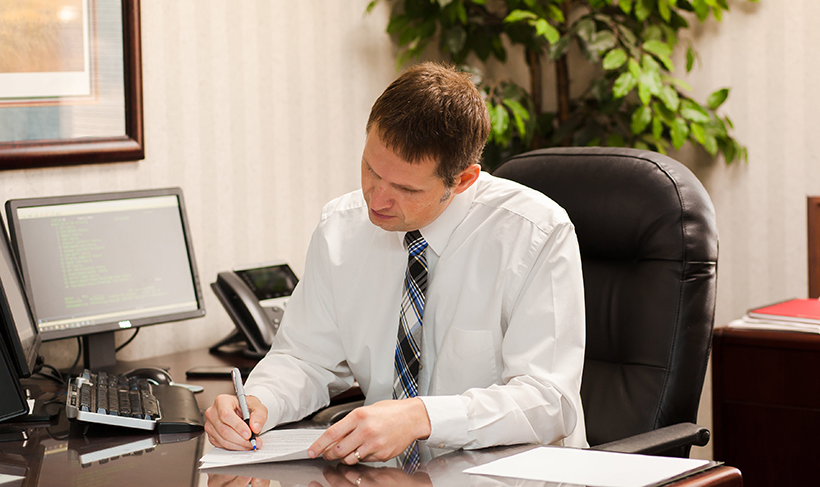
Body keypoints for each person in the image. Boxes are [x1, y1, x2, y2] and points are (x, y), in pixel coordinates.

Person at [204, 62, 587, 465]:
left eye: (406, 188)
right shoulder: (341, 228)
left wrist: (423, 416)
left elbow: (549, 401)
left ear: (464, 180)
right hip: (388, 476)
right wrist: (259, 401)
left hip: (512, 474)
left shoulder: (535, 233)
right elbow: (304, 358)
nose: (377, 199)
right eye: (371, 169)